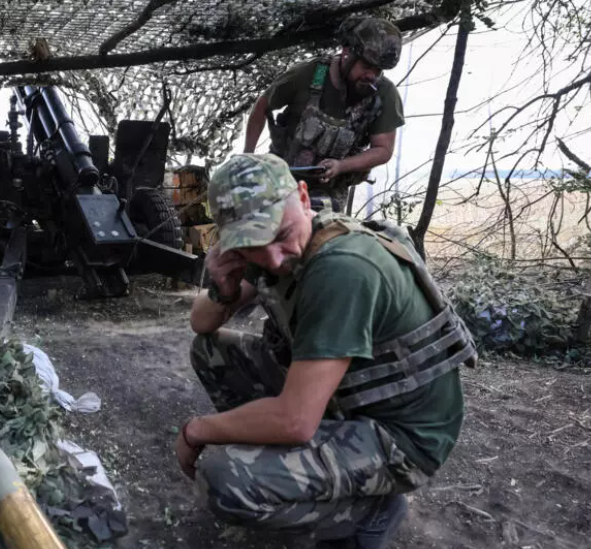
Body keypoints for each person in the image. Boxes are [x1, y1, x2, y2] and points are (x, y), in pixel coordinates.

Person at [177, 153, 477, 548]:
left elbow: (295, 421)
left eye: (280, 235)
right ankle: (304, 471)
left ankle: (368, 513)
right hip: (350, 403)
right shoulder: (284, 240)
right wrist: (224, 288)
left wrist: (197, 431)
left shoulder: (342, 268)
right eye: (252, 246)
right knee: (211, 351)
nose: (274, 259)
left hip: (402, 436)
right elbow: (202, 325)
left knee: (224, 478)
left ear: (303, 197)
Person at [243, 17, 405, 213]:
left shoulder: (384, 94)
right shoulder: (310, 74)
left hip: (328, 194)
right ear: (348, 52)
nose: (371, 75)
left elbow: (383, 149)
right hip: (280, 181)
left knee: (324, 238)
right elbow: (262, 106)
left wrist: (341, 166)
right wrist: (247, 158)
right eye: (366, 67)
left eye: (378, 70)